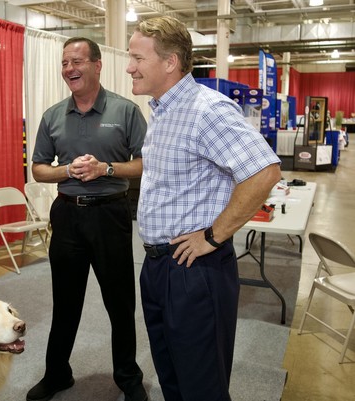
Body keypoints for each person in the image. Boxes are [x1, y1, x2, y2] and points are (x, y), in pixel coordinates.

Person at [127, 16, 281, 401]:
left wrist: (214, 236)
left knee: (202, 386)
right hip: (158, 265)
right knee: (172, 378)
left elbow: (264, 172)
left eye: (137, 57)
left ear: (170, 62)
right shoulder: (161, 111)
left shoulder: (207, 109)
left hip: (194, 271)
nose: (129, 66)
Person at [28, 37, 148, 401]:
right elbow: (38, 170)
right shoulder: (52, 116)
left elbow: (146, 164)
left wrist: (106, 168)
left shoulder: (125, 111)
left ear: (97, 65)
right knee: (65, 302)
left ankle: (127, 377)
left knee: (120, 302)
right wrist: (68, 171)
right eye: (65, 63)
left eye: (77, 61)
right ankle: (57, 374)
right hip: (66, 216)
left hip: (110, 215)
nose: (69, 69)